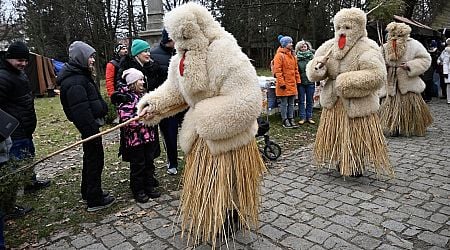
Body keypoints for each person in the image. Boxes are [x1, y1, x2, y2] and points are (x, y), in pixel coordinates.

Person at [137, 3, 266, 247]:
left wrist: (205, 117)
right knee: (211, 184)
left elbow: (248, 100)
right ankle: (214, 214)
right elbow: (175, 90)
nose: (179, 45)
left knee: (231, 181)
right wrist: (154, 105)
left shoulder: (225, 51)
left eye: (184, 37)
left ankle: (231, 214)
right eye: (176, 39)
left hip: (228, 136)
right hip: (201, 139)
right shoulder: (181, 59)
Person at [306, 8, 393, 177]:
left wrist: (344, 82)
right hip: (333, 104)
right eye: (338, 28)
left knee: (355, 137)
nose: (341, 32)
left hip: (357, 105)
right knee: (337, 135)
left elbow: (377, 75)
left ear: (359, 28)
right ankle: (340, 159)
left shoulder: (367, 47)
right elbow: (314, 72)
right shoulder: (328, 46)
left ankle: (355, 162)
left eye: (347, 27)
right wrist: (318, 67)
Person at [57, 41, 115, 212]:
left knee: (91, 159)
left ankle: (87, 191)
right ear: (81, 57)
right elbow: (81, 111)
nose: (92, 60)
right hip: (90, 129)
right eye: (90, 57)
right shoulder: (75, 82)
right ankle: (94, 199)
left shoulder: (80, 75)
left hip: (91, 128)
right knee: (94, 161)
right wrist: (92, 133)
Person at [0, 41, 50, 216]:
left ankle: (30, 183)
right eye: (19, 60)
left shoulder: (19, 73)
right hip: (13, 131)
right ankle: (8, 206)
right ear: (9, 58)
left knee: (28, 157)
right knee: (13, 168)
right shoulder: (2, 77)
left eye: (25, 60)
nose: (23, 63)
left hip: (26, 127)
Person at [117, 39, 162, 187]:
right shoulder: (127, 69)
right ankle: (139, 185)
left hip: (148, 122)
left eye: (149, 50)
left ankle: (149, 180)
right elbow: (126, 116)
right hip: (136, 131)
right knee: (138, 160)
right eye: (144, 51)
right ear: (137, 53)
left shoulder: (152, 66)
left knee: (149, 156)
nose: (148, 54)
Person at [379, 22, 433, 136]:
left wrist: (410, 65)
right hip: (390, 82)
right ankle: (393, 126)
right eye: (392, 35)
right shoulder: (384, 47)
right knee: (390, 106)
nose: (394, 38)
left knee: (409, 105)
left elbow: (425, 59)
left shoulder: (414, 45)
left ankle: (409, 125)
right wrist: (384, 65)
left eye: (398, 35)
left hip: (408, 83)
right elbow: (377, 61)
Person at [117, 68, 161, 203]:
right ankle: (138, 190)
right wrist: (142, 120)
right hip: (135, 141)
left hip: (148, 138)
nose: (143, 82)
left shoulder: (143, 96)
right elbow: (126, 120)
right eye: (140, 80)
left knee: (149, 162)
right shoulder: (126, 99)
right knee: (138, 165)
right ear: (133, 83)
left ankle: (149, 186)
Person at [150, 29, 180, 175]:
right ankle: (172, 162)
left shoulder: (180, 52)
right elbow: (152, 83)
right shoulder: (154, 56)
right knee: (170, 134)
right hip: (167, 103)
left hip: (183, 100)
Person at [273, 35, 301, 128]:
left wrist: (298, 81)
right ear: (284, 44)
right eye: (289, 43)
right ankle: (285, 119)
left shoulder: (293, 56)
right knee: (284, 103)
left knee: (291, 103)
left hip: (292, 84)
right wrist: (281, 83)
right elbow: (278, 71)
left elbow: (296, 70)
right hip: (284, 85)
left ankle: (291, 118)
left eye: (291, 42)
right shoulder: (279, 55)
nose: (291, 44)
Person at [295, 40, 315, 125]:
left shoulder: (312, 57)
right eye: (302, 47)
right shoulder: (296, 58)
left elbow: (315, 69)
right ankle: (302, 117)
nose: (304, 48)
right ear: (299, 48)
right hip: (301, 83)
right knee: (301, 100)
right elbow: (295, 70)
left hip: (310, 81)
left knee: (310, 100)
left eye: (305, 46)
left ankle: (309, 117)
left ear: (308, 47)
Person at [438, 38, 450, 104]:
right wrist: (445, 72)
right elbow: (445, 62)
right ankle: (449, 99)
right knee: (448, 85)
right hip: (448, 70)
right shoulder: (446, 51)